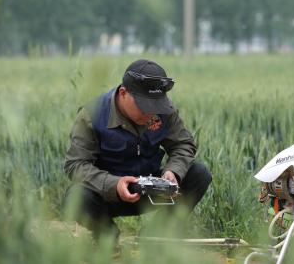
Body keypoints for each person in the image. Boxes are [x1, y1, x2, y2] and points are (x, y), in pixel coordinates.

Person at [63, 59, 212, 239]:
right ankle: (107, 237)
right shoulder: (91, 115)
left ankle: (156, 236)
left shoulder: (166, 111)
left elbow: (183, 144)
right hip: (109, 195)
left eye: (156, 106)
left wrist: (173, 172)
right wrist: (114, 184)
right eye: (145, 106)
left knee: (199, 174)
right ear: (124, 93)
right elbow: (75, 165)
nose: (151, 113)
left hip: (152, 191)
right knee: (76, 197)